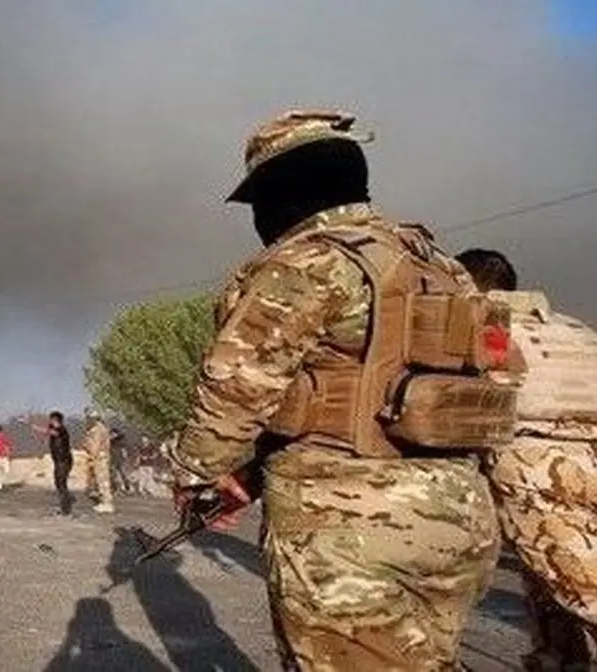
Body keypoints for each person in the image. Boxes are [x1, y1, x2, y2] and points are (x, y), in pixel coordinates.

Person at [167, 111, 517, 670]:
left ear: (278, 191)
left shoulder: (308, 260)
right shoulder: (440, 266)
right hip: (458, 520)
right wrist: (249, 476)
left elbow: (236, 389)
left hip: (349, 529)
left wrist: (194, 474)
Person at [457, 248, 597, 672]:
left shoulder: (490, 328)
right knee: (549, 584)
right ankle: (558, 658)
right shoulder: (570, 326)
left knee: (580, 585)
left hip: (542, 463)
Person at [32, 411, 73, 516]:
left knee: (61, 484)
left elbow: (51, 432)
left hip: (64, 461)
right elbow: (48, 434)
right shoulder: (55, 430)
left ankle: (66, 509)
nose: (50, 421)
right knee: (58, 483)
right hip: (59, 461)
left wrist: (37, 428)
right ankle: (64, 506)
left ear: (56, 420)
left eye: (51, 419)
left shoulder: (62, 430)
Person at [78, 408, 115, 514]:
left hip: (99, 457)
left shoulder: (97, 429)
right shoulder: (100, 428)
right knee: (101, 480)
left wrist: (91, 457)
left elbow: (95, 445)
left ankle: (107, 503)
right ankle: (105, 501)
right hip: (100, 456)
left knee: (102, 480)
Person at [108, 427, 132, 494]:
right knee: (113, 475)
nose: (112, 435)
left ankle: (127, 487)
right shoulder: (110, 442)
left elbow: (124, 450)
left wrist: (125, 457)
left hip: (120, 460)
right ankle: (114, 488)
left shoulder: (120, 441)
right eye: (111, 434)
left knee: (123, 474)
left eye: (113, 434)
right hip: (113, 460)